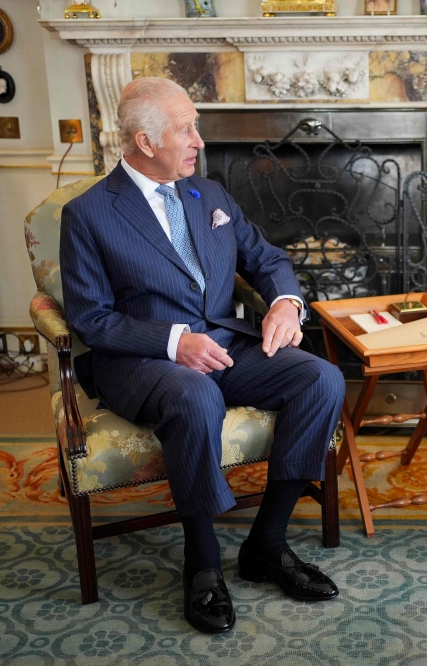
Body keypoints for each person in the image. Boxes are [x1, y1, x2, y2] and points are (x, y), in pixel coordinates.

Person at [60, 77, 346, 634]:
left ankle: (266, 543)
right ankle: (203, 563)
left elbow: (267, 259)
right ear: (145, 142)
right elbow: (90, 318)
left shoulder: (209, 195)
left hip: (224, 340)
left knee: (322, 379)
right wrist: (173, 342)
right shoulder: (89, 214)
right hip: (141, 360)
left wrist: (286, 304)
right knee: (193, 396)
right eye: (186, 129)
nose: (199, 140)